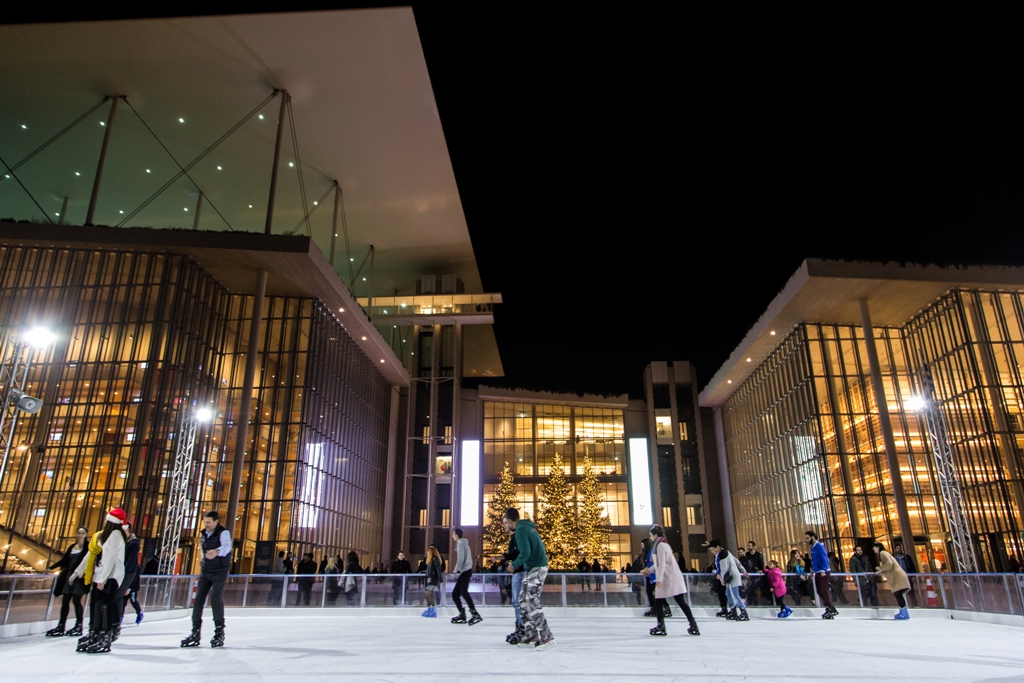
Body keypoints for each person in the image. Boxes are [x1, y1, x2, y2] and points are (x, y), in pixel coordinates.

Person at [73, 508, 127, 654]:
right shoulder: (108, 535)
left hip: (112, 575)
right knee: (98, 605)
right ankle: (96, 632)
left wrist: (103, 578)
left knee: (104, 606)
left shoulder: (115, 535)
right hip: (104, 574)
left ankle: (105, 636)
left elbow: (110, 558)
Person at [505, 507, 555, 649]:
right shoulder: (527, 526)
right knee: (522, 598)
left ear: (509, 521)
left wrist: (513, 566)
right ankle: (531, 632)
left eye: (506, 523)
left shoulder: (521, 530)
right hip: (533, 567)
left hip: (538, 567)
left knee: (531, 599)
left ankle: (546, 634)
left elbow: (525, 552)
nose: (506, 526)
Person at [181, 511, 231, 648]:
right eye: (205, 522)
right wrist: (204, 561)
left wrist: (217, 552)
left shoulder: (223, 533)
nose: (206, 525)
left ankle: (219, 632)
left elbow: (227, 547)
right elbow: (203, 551)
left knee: (215, 598)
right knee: (198, 600)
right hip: (206, 571)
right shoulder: (204, 534)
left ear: (216, 522)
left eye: (209, 522)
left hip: (220, 571)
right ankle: (195, 631)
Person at [641, 525, 699, 636]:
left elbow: (662, 563)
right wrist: (649, 570)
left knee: (659, 601)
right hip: (672, 576)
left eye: (651, 536)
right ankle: (693, 624)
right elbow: (660, 563)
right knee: (679, 601)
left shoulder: (660, 546)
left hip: (668, 578)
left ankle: (661, 626)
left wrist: (659, 579)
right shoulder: (664, 544)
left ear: (655, 535)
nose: (651, 538)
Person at [46, 525, 89, 637]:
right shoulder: (72, 547)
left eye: (82, 533)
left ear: (86, 535)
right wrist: (51, 568)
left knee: (76, 601)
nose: (80, 535)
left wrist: (81, 573)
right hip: (68, 577)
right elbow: (64, 560)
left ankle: (79, 625)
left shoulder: (87, 548)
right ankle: (61, 625)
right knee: (65, 601)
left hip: (79, 578)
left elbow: (87, 562)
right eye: (78, 532)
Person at [709, 539, 748, 621]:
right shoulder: (723, 553)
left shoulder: (723, 554)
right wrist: (743, 570)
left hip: (731, 576)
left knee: (735, 594)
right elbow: (736, 561)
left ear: (717, 547)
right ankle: (733, 610)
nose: (712, 552)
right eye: (710, 550)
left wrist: (722, 579)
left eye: (713, 549)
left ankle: (743, 611)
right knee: (728, 594)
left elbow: (724, 568)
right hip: (729, 577)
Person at [450, 528, 482, 625]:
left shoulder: (460, 544)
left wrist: (454, 571)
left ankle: (474, 613)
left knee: (462, 593)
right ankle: (463, 614)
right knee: (456, 594)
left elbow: (460, 560)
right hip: (466, 571)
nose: (452, 536)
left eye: (453, 534)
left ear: (456, 535)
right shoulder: (464, 544)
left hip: (465, 571)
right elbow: (468, 559)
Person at [874, 542, 912, 620]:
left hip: (897, 576)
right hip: (898, 575)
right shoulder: (885, 553)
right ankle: (903, 611)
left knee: (898, 594)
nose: (873, 549)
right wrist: (880, 571)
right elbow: (889, 566)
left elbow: (889, 564)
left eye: (874, 547)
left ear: (877, 547)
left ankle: (904, 612)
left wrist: (880, 568)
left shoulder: (882, 553)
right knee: (898, 594)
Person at [806, 530, 837, 619]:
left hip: (823, 571)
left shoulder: (819, 546)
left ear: (812, 537)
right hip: (818, 571)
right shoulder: (813, 547)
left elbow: (824, 558)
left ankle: (829, 608)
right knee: (819, 591)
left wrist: (823, 569)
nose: (807, 540)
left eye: (808, 538)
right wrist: (813, 570)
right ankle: (831, 607)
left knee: (823, 590)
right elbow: (815, 560)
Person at [504, 529, 526, 644]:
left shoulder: (518, 536)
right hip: (517, 572)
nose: (504, 526)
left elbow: (520, 553)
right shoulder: (514, 537)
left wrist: (506, 558)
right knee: (516, 602)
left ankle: (522, 629)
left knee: (518, 602)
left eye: (506, 522)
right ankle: (520, 628)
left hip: (520, 572)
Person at [120, 522, 143, 627]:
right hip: (125, 578)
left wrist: (129, 587)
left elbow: (132, 566)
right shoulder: (123, 542)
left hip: (131, 583)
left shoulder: (133, 543)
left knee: (133, 600)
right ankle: (119, 617)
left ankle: (139, 613)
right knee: (122, 601)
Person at [421, 545, 443, 617]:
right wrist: (422, 572)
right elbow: (429, 570)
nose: (427, 554)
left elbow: (438, 569)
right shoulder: (430, 560)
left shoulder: (435, 559)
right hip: (429, 578)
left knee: (429, 593)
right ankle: (430, 608)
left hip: (433, 579)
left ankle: (433, 609)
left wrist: (440, 578)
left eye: (428, 552)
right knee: (427, 593)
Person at [745, 541, 764, 605]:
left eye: (750, 546)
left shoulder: (758, 555)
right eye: (748, 546)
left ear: (753, 547)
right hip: (749, 575)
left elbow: (761, 566)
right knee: (749, 590)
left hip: (756, 575)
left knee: (755, 589)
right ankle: (750, 603)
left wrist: (759, 574)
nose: (748, 547)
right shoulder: (747, 555)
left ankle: (756, 603)